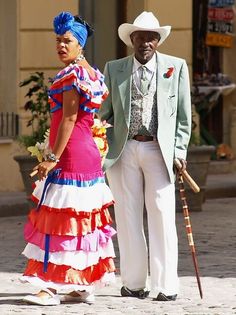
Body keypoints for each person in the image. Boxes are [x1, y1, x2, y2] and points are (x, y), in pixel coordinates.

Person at [20, 11, 116, 306]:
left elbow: (69, 119)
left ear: (80, 45)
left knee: (58, 220)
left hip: (71, 154)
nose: (61, 45)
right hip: (86, 153)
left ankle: (48, 287)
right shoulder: (92, 73)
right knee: (81, 220)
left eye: (67, 41)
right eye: (58, 41)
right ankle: (82, 285)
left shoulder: (73, 75)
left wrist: (51, 157)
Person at [99, 11, 192, 301]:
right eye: (140, 37)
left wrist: (179, 150)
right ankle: (133, 282)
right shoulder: (114, 69)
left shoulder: (175, 68)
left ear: (158, 41)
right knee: (127, 216)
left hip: (158, 149)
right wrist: (102, 147)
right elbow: (104, 115)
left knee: (162, 214)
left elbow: (184, 119)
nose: (146, 43)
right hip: (124, 149)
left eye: (151, 37)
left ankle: (166, 285)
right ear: (131, 40)